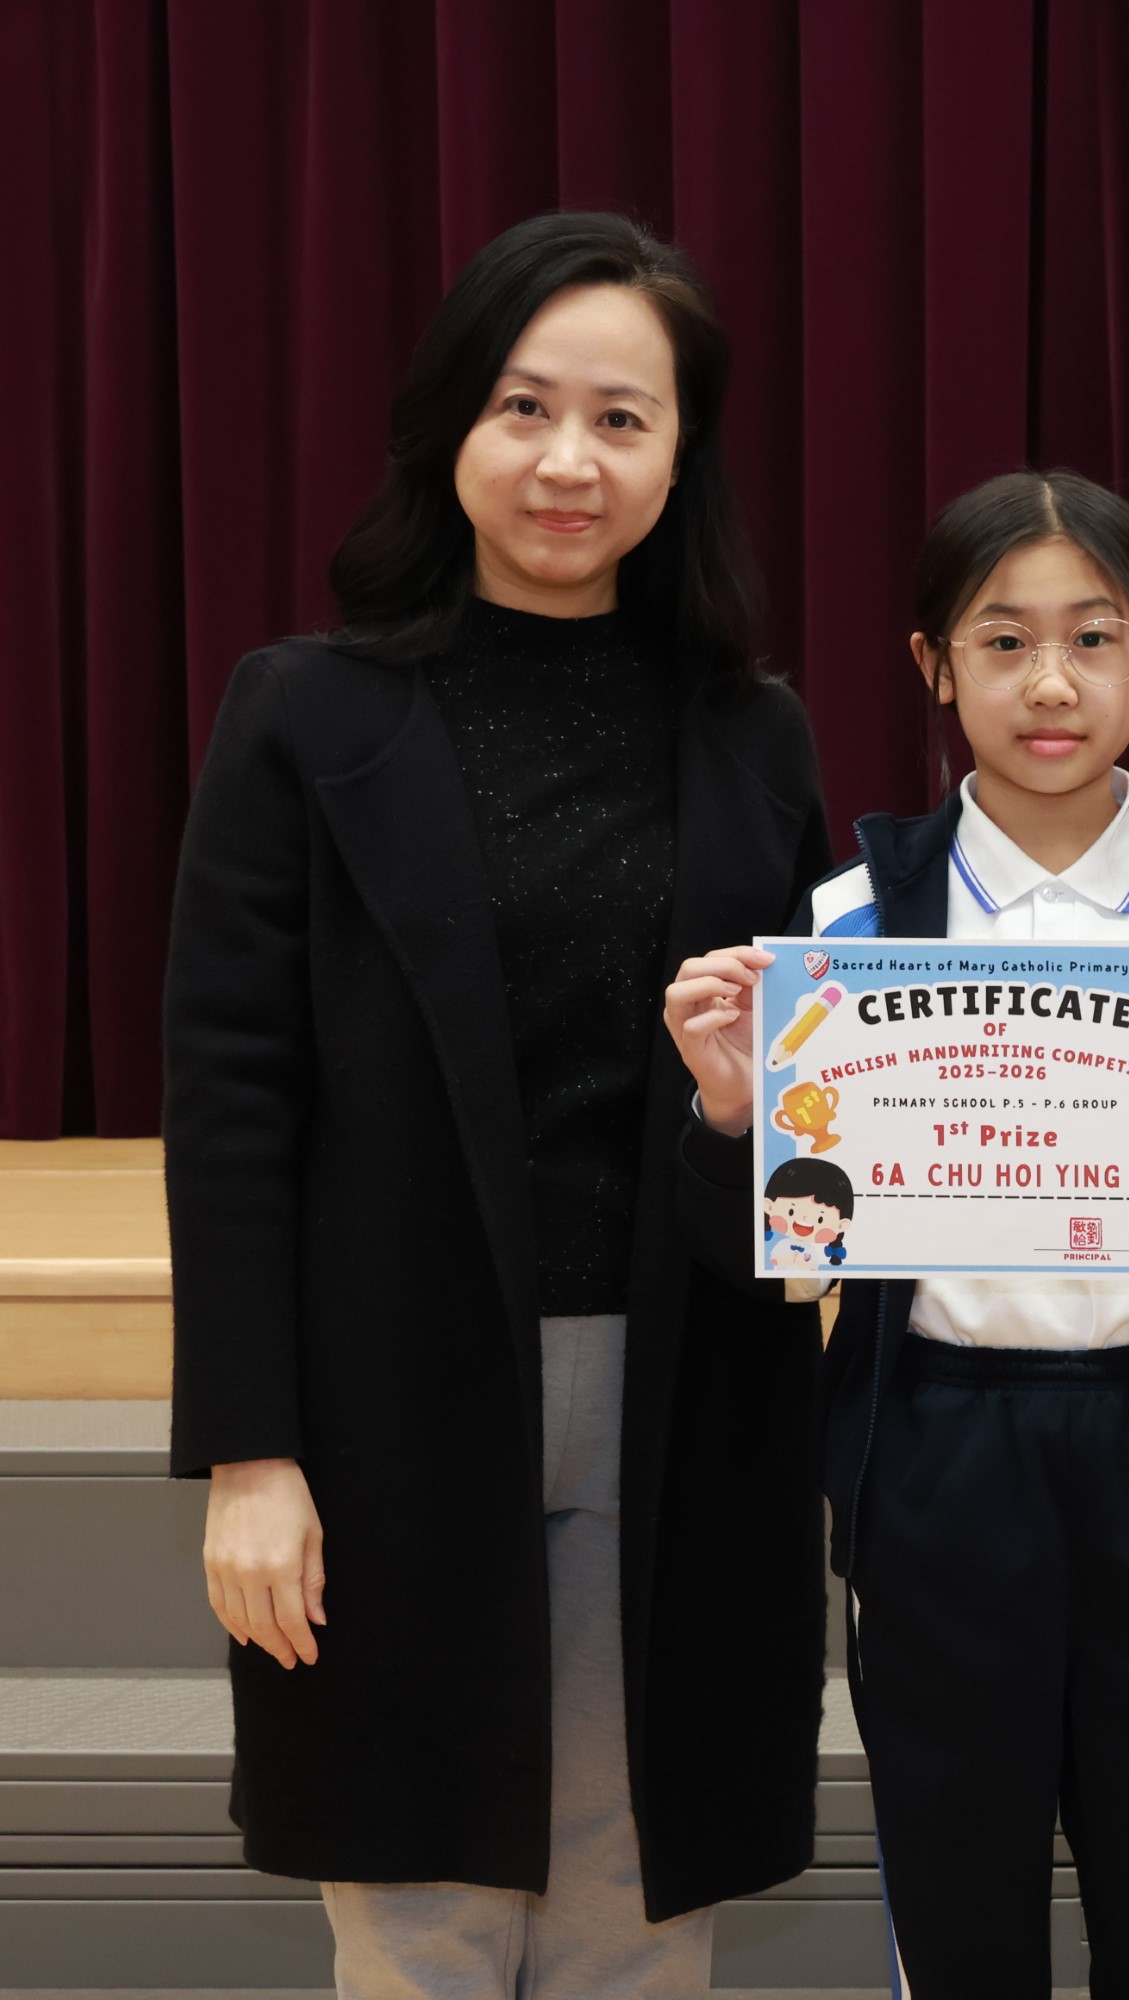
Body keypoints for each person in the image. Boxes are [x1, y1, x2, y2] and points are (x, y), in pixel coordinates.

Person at [166, 211, 832, 1998]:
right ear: (452, 421)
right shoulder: (301, 714)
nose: (566, 462)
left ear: (681, 458)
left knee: (639, 1925)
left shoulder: (756, 738)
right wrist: (249, 1453)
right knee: (416, 1925)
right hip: (383, 1400)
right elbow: (231, 1104)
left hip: (685, 1400)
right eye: (525, 407)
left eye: (622, 419)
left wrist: (756, 1118)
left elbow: (806, 1115)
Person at [662, 470, 1129, 1997]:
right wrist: (730, 1118)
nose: (1052, 684)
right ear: (934, 666)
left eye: (1094, 639)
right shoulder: (849, 924)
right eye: (1004, 641)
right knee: (958, 1912)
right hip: (938, 1454)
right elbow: (769, 1253)